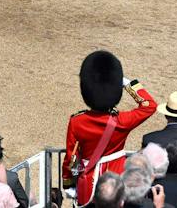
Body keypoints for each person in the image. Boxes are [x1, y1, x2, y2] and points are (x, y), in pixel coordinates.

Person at [63, 51, 157, 207]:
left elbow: (71, 157)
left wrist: (68, 182)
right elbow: (149, 105)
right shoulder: (122, 121)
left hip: (88, 181)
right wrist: (128, 84)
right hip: (117, 178)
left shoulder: (77, 121)